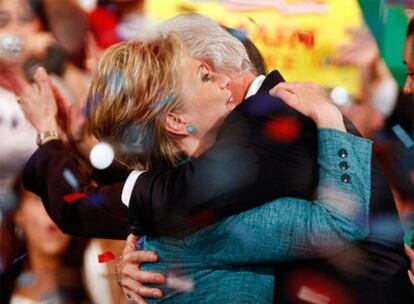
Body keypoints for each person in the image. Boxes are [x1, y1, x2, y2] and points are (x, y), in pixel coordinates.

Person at [16, 13, 410, 303]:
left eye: (207, 72)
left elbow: (340, 226)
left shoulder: (274, 123)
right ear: (175, 118)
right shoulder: (266, 130)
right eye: (202, 76)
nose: (220, 82)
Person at [0, 176, 90, 304]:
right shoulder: (5, 286)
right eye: (38, 198)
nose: (50, 210)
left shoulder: (97, 280)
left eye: (62, 198)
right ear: (18, 213)